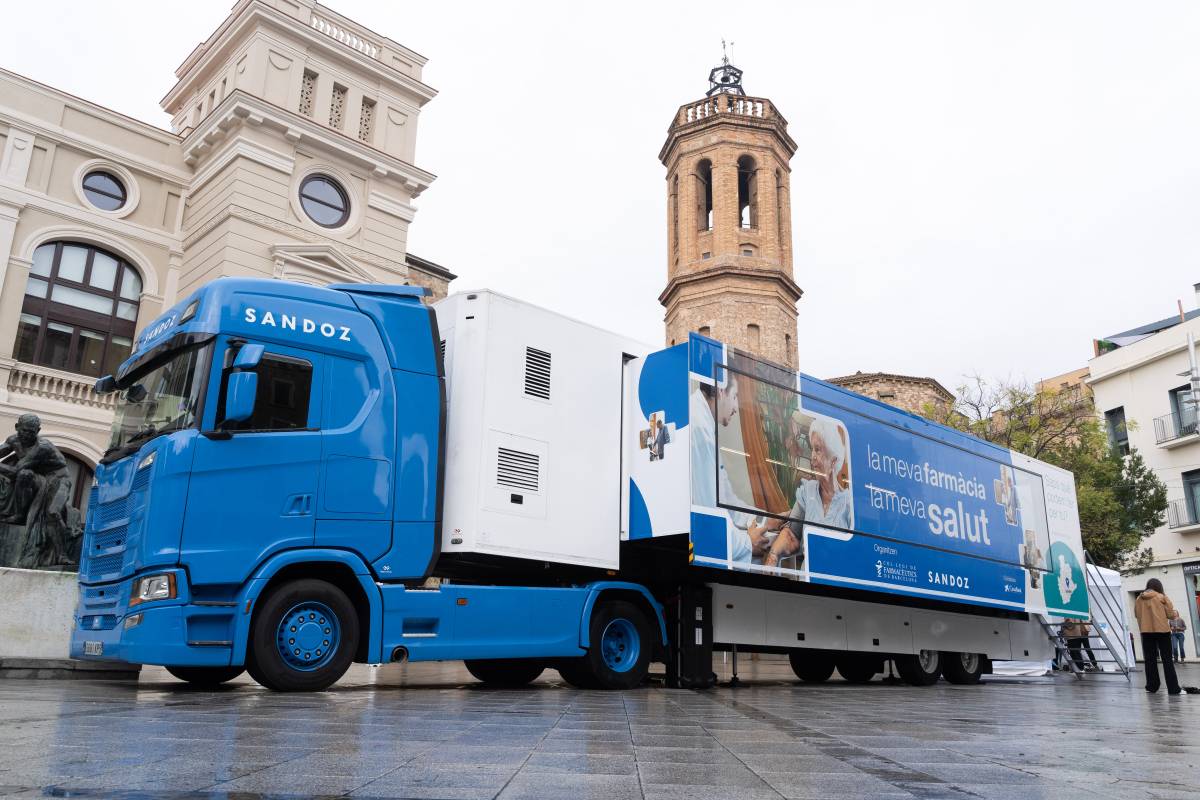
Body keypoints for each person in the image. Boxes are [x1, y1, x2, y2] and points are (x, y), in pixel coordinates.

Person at [750, 415, 851, 569]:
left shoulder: (849, 504)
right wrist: (773, 556)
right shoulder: (807, 491)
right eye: (812, 449)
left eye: (818, 450)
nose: (812, 457)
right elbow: (791, 534)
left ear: (833, 460)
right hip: (808, 577)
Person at [1134, 578, 1182, 695]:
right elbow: (1171, 615)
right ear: (1159, 586)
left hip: (1146, 631)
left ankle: (1151, 687)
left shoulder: (1139, 598)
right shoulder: (1162, 597)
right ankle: (1173, 688)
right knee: (1167, 660)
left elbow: (1136, 614)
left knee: (1149, 659)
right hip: (1162, 631)